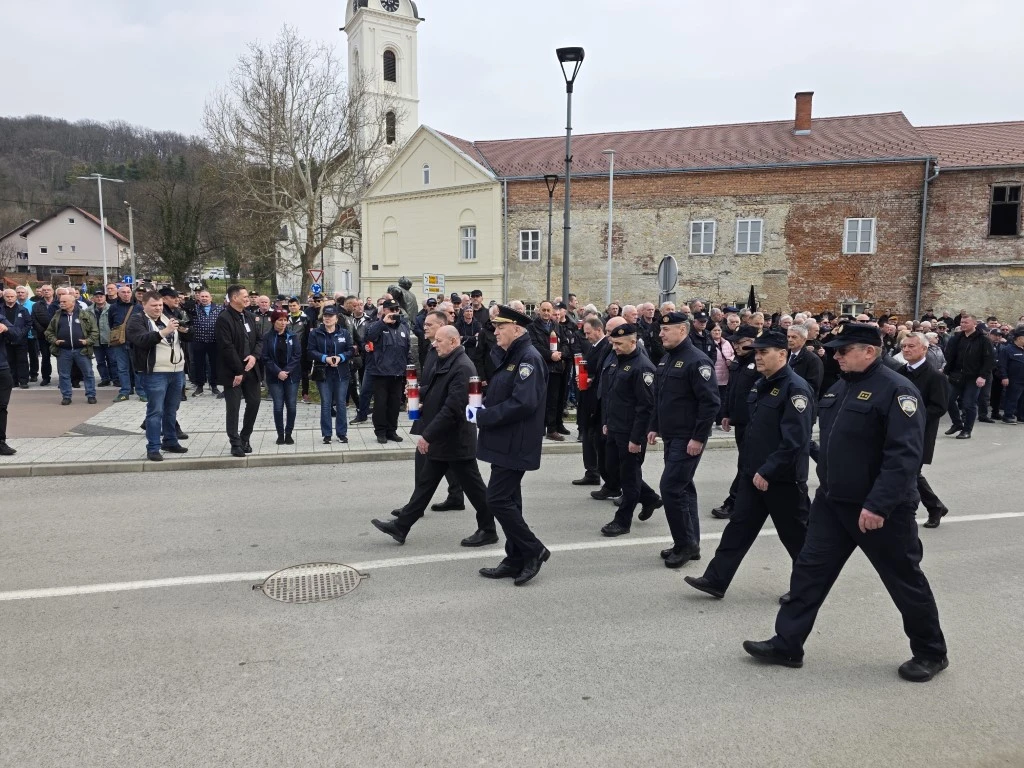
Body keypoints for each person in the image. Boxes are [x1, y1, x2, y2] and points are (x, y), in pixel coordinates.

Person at [743, 323, 948, 683]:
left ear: (869, 351)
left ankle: (931, 652)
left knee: (904, 580)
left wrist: (879, 505)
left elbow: (903, 457)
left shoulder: (898, 391)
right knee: (808, 572)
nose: (835, 356)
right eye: (834, 351)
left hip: (880, 510)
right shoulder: (841, 387)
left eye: (843, 350)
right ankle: (787, 643)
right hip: (833, 503)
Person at [684, 330, 813, 599]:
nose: (758, 357)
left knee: (797, 538)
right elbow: (756, 432)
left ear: (782, 354)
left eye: (764, 352)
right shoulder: (760, 383)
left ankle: (807, 590)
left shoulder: (796, 388)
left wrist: (769, 470)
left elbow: (795, 440)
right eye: (756, 352)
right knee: (738, 528)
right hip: (753, 475)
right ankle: (715, 580)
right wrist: (750, 470)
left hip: (782, 479)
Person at [371, 326, 498, 547]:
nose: (434, 344)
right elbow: (439, 389)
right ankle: (401, 526)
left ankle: (488, 530)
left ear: (454, 341)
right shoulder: (448, 360)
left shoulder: (463, 367)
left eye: (439, 340)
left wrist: (427, 435)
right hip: (445, 440)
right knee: (425, 484)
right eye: (435, 340)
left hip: (456, 441)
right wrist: (419, 393)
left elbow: (453, 408)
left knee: (476, 490)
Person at [473, 305, 550, 586]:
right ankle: (515, 557)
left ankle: (534, 549)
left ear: (516, 329)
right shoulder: (511, 356)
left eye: (500, 327)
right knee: (510, 500)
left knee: (497, 500)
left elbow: (523, 402)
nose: (495, 332)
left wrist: (485, 416)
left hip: (515, 442)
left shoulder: (528, 358)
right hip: (504, 441)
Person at [647, 312, 720, 568]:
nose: (661, 334)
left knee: (670, 487)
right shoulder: (668, 359)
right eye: (660, 330)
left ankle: (685, 544)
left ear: (683, 330)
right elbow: (661, 397)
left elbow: (710, 402)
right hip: (672, 435)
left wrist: (698, 438)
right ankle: (690, 543)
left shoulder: (697, 361)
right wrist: (655, 426)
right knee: (684, 488)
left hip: (688, 437)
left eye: (667, 330)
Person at [598, 323, 662, 537]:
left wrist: (636, 439)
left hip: (630, 433)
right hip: (615, 428)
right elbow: (612, 396)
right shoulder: (619, 360)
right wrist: (607, 421)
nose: (614, 347)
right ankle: (651, 498)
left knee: (629, 478)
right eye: (613, 343)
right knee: (612, 470)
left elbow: (646, 407)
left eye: (619, 343)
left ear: (633, 342)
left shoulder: (642, 367)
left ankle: (622, 521)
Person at [126, 290, 188, 461]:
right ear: (143, 305)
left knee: (171, 409)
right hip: (155, 373)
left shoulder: (167, 318)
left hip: (176, 371)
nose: (158, 308)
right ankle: (153, 447)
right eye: (154, 305)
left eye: (160, 305)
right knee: (156, 411)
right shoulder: (137, 320)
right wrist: (164, 332)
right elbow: (141, 340)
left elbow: (183, 337)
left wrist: (185, 330)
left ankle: (170, 440)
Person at [898, 332, 949, 528]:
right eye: (904, 347)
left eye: (911, 346)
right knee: (906, 471)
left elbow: (939, 407)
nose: (907, 350)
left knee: (910, 471)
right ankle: (934, 506)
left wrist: (913, 418)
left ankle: (933, 507)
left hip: (919, 433)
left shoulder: (935, 377)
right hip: (896, 431)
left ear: (924, 349)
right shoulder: (899, 372)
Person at [215, 284, 262, 457]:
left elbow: (260, 340)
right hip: (233, 372)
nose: (248, 298)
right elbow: (226, 347)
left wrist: (254, 357)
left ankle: (245, 437)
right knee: (233, 407)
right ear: (234, 298)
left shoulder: (250, 316)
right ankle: (235, 443)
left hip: (251, 369)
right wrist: (239, 371)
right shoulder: (224, 318)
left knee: (255, 402)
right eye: (245, 295)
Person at [364, 298, 411, 444]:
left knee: (394, 405)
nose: (394, 312)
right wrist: (383, 322)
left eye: (396, 309)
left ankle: (392, 431)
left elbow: (407, 350)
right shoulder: (376, 326)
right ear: (384, 310)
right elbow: (369, 337)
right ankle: (381, 432)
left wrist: (409, 370)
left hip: (398, 373)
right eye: (391, 309)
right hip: (381, 372)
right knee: (380, 404)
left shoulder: (403, 327)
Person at [306, 305, 353, 444]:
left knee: (341, 403)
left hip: (341, 372)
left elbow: (351, 350)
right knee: (326, 403)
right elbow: (310, 351)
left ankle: (342, 433)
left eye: (330, 316)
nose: (327, 318)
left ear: (336, 318)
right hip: (324, 373)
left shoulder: (344, 333)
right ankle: (327, 434)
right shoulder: (315, 333)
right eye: (325, 316)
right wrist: (324, 358)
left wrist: (341, 357)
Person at [943, 314, 994, 440]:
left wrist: (982, 376)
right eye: (962, 322)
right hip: (956, 375)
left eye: (966, 322)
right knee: (948, 400)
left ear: (974, 324)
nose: (963, 324)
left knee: (968, 404)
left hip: (974, 377)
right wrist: (946, 371)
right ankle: (957, 423)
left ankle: (967, 430)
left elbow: (989, 359)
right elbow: (950, 356)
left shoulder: (983, 339)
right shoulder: (956, 338)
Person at [573, 316, 610, 488]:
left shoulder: (606, 346)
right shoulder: (594, 346)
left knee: (595, 439)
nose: (586, 336)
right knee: (588, 436)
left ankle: (602, 475)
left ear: (598, 329)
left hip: (596, 400)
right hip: (587, 397)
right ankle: (591, 472)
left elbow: (603, 372)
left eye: (588, 333)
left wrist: (591, 379)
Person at [44, 289, 98, 405]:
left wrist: (87, 341)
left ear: (73, 302)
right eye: (60, 301)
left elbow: (94, 331)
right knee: (64, 375)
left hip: (82, 350)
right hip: (64, 351)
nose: (61, 303)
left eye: (64, 301)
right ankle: (66, 396)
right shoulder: (57, 315)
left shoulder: (85, 315)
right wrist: (55, 341)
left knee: (88, 373)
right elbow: (48, 332)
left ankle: (91, 395)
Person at [528, 300, 572, 441]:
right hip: (542, 367)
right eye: (544, 310)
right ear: (538, 310)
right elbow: (533, 346)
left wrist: (560, 354)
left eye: (548, 310)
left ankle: (556, 425)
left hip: (558, 367)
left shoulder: (557, 326)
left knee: (558, 399)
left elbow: (565, 343)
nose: (546, 313)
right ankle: (547, 428)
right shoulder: (532, 327)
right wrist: (549, 355)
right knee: (544, 400)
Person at [262, 309, 303, 445]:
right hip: (275, 377)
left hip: (291, 376)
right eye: (280, 320)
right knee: (278, 406)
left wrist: (286, 371)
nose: (283, 323)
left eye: (285, 320)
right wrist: (278, 371)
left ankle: (289, 433)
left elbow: (297, 355)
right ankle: (280, 434)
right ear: (274, 321)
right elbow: (265, 357)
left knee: (291, 405)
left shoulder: (293, 336)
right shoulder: (267, 337)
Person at [0, 297, 26, 454]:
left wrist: (6, 328)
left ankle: (1, 442)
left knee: (2, 407)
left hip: (2, 368)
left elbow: (17, 335)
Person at [189, 290, 222, 398]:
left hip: (214, 341)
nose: (204, 298)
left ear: (211, 298)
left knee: (215, 365)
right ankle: (200, 386)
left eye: (206, 296)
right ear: (199, 298)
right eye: (202, 296)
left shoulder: (219, 308)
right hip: (199, 341)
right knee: (199, 364)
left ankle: (214, 386)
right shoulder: (194, 309)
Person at [2, 289, 32, 388]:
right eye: (8, 296)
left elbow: (28, 323)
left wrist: (21, 334)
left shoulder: (22, 309)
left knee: (22, 361)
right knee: (9, 361)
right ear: (4, 297)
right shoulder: (0, 309)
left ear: (16, 297)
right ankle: (13, 381)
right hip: (5, 340)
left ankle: (23, 381)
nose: (10, 298)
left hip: (21, 340)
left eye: (12, 296)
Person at [996, 328, 1024, 424]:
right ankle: (1008, 416)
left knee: (1022, 400)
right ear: (1019, 338)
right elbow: (1002, 365)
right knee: (1012, 398)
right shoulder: (1008, 349)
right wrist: (1004, 377)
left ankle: (1021, 415)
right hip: (1014, 379)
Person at [788, 324, 824, 397]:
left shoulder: (813, 360)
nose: (790, 340)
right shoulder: (784, 355)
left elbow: (813, 386)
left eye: (794, 337)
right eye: (788, 336)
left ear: (804, 339)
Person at [30, 284, 56, 386]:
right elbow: (34, 319)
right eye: (44, 290)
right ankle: (46, 378)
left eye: (48, 290)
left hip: (58, 335)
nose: (46, 292)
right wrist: (44, 331)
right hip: (43, 336)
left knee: (61, 358)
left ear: (52, 291)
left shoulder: (58, 303)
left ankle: (63, 377)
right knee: (45, 357)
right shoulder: (36, 305)